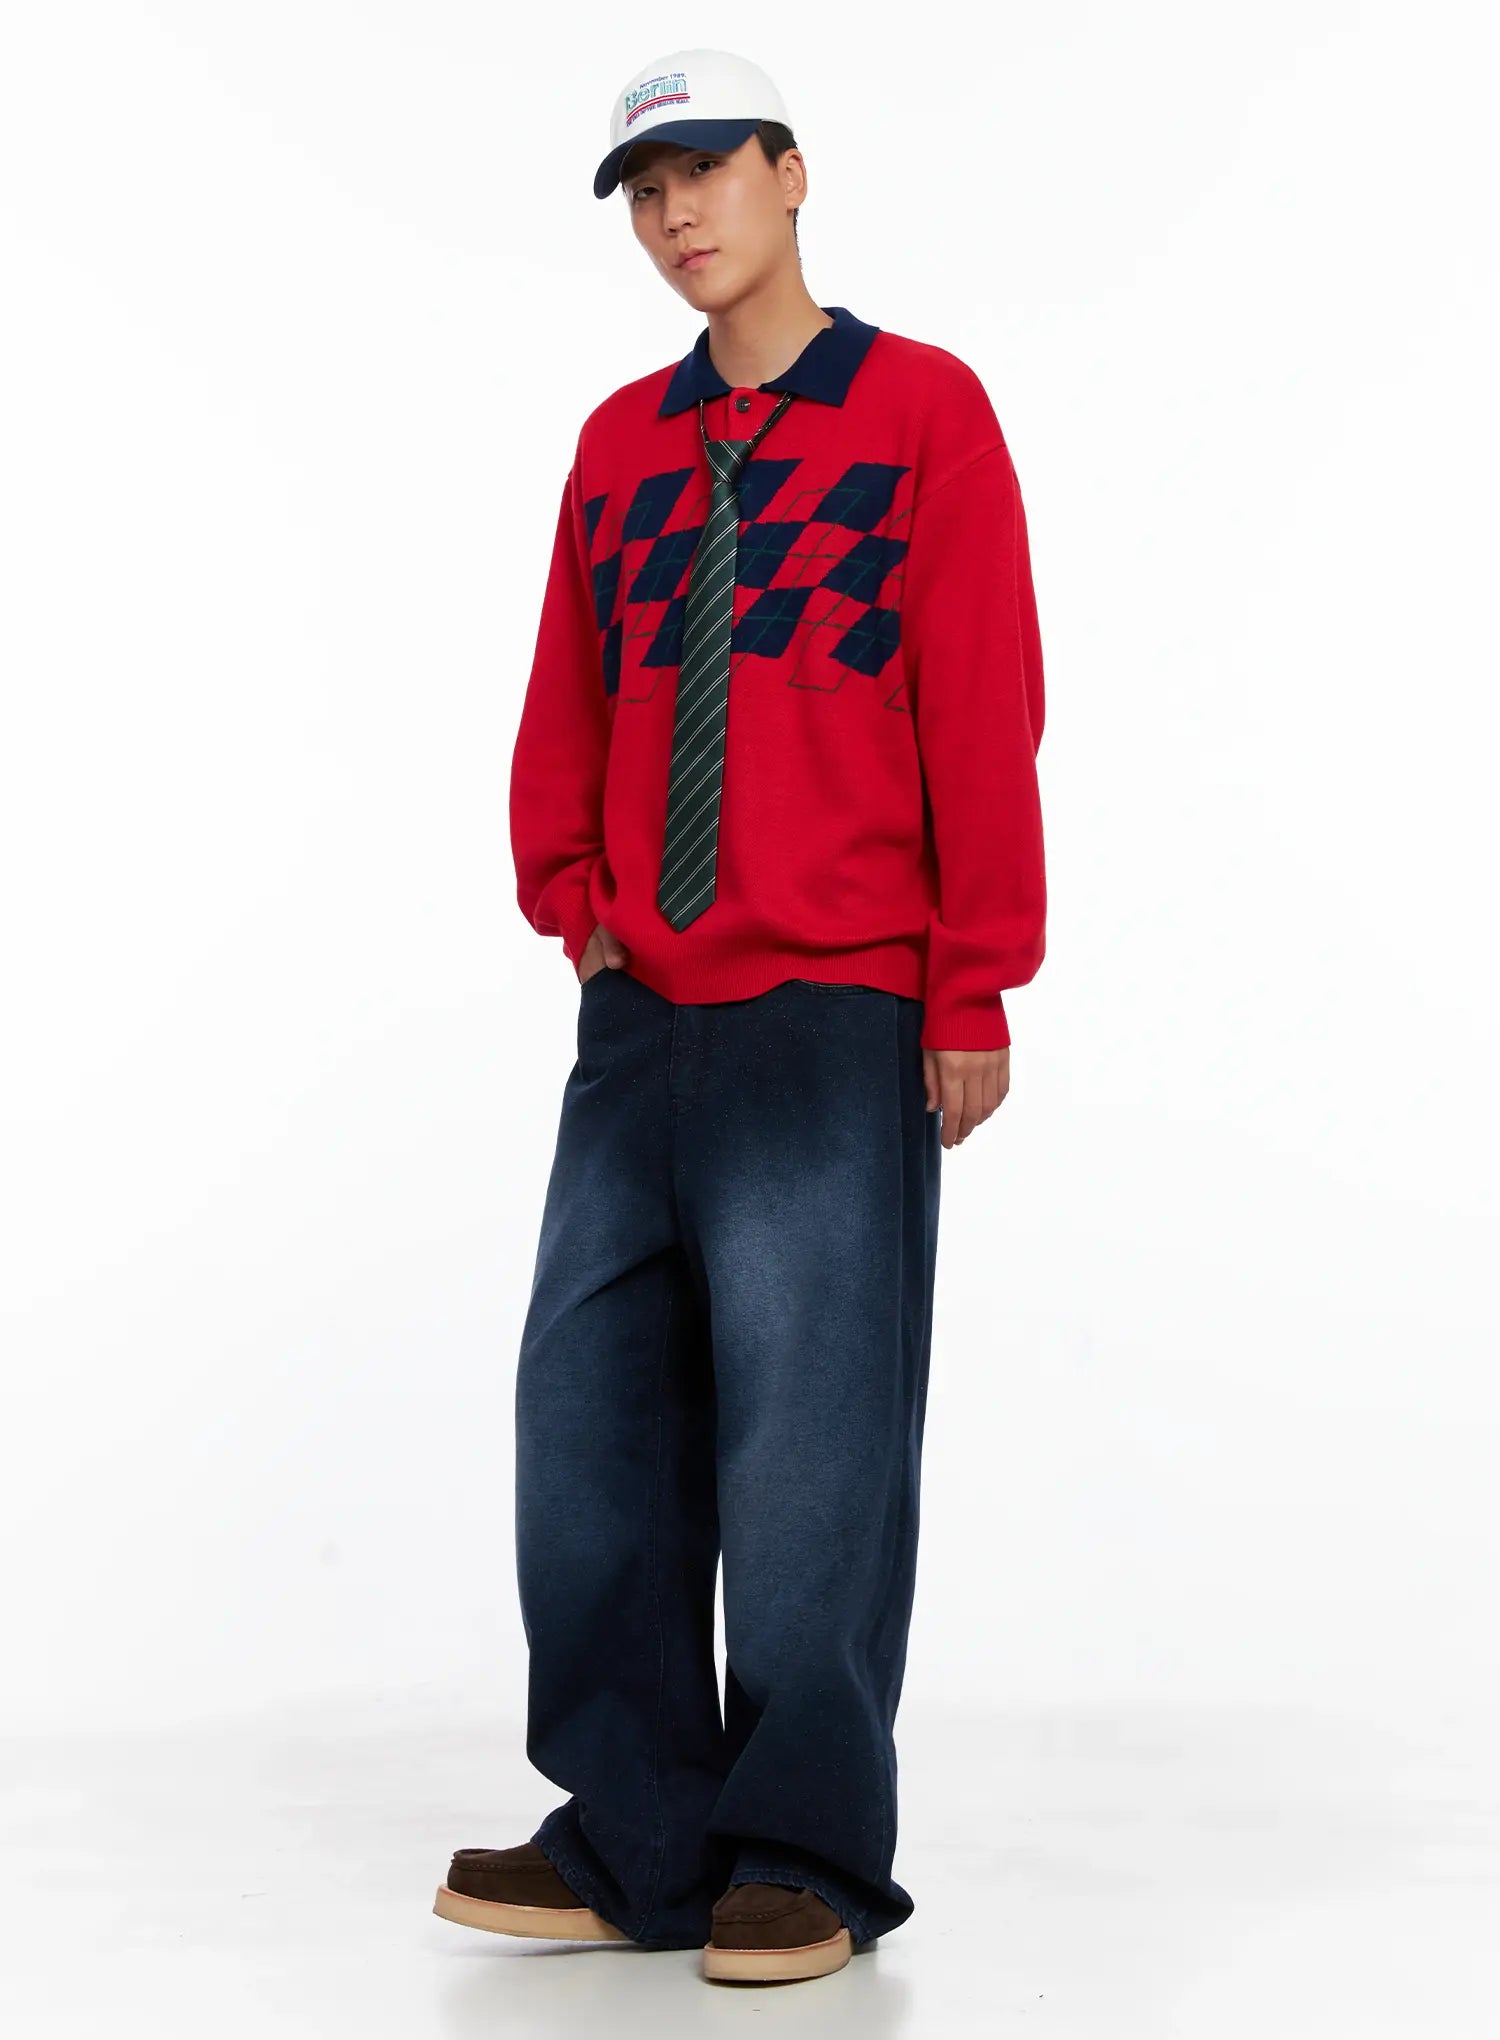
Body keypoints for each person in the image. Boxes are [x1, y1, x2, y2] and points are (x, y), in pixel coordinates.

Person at [432, 45, 1047, 1987]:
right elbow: (573, 688)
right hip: (645, 1008)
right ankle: (638, 1831)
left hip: (837, 999)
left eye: (706, 170)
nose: (675, 213)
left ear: (792, 172)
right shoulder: (621, 444)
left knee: (813, 1442)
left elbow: (982, 701)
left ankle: (803, 1851)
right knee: (589, 1422)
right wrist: (574, 903)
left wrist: (974, 974)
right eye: (643, 189)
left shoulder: (923, 413)